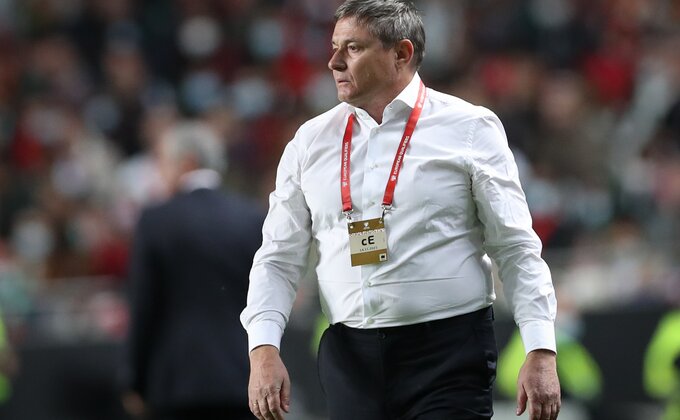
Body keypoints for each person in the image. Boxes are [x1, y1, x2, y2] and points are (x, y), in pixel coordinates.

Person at [240, 1, 561, 419]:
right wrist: (263, 347)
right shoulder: (309, 142)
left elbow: (515, 247)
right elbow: (277, 258)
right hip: (349, 359)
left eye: (353, 48)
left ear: (401, 54)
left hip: (448, 355)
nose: (334, 62)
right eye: (335, 47)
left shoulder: (469, 128)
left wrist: (540, 349)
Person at [122, 121, 264, 420]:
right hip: (244, 376)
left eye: (163, 162)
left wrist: (135, 380)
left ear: (186, 162)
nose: (160, 173)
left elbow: (144, 306)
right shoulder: (252, 217)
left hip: (176, 383)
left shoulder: (156, 221)